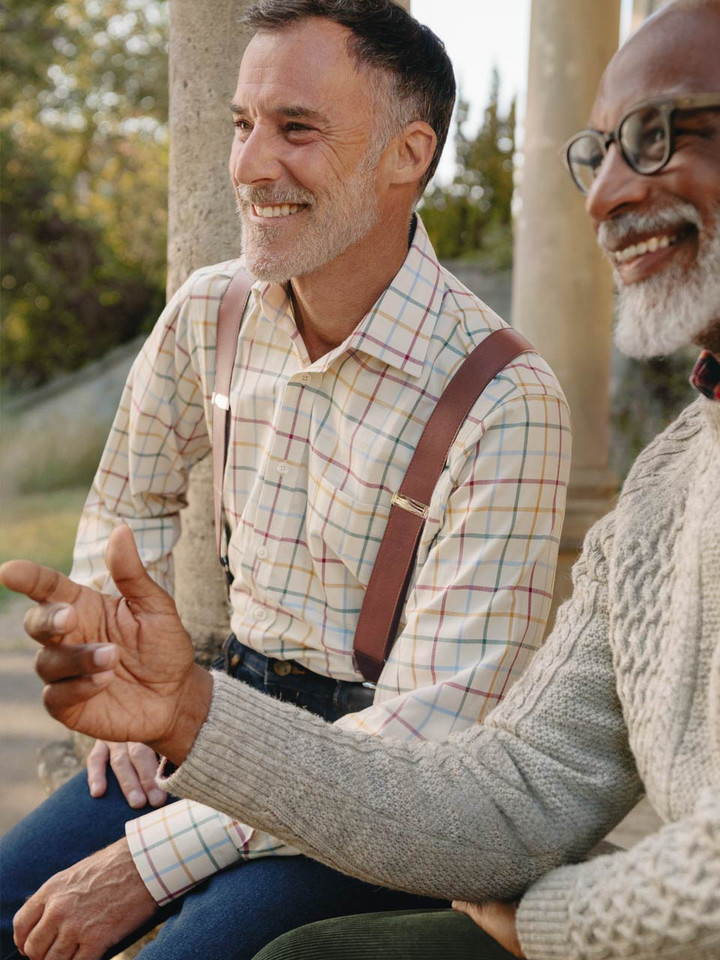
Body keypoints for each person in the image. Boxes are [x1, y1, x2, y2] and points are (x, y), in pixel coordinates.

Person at [4, 0, 718, 958]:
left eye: (296, 127)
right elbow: (129, 495)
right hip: (222, 712)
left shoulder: (504, 397)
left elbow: (435, 748)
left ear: (407, 155)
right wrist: (129, 672)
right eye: (242, 125)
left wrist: (145, 856)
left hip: (386, 755)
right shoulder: (211, 312)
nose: (251, 164)